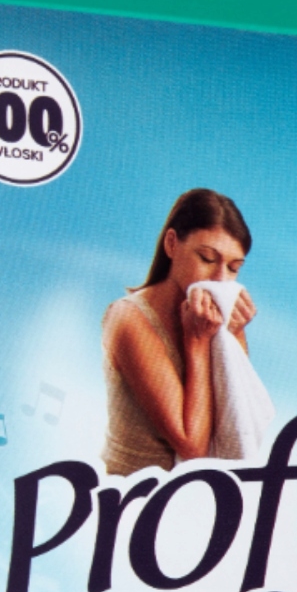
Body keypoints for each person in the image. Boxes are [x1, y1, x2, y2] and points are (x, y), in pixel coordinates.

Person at [101, 188, 257, 476]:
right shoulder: (129, 318)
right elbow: (193, 448)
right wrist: (196, 343)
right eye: (207, 259)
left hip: (195, 492)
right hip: (132, 493)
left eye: (233, 268)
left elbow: (240, 423)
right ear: (172, 244)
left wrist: (234, 334)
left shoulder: (214, 318)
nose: (220, 279)